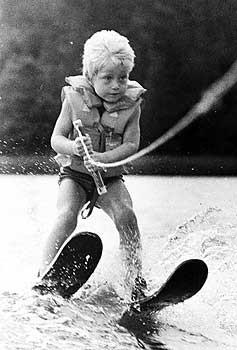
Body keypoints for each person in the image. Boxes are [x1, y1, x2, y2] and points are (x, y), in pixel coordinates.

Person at [39, 30, 147, 300]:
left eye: (122, 78)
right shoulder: (75, 100)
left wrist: (102, 159)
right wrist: (73, 147)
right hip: (75, 176)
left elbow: (131, 145)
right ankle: (44, 273)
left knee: (127, 216)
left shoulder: (132, 106)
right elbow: (56, 139)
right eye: (107, 78)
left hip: (109, 180)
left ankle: (135, 280)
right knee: (66, 216)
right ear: (90, 77)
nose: (116, 85)